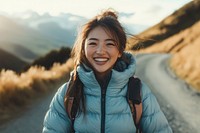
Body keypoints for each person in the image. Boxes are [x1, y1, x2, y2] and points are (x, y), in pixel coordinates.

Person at [42, 9, 172, 133]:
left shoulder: (140, 93)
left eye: (109, 44)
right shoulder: (67, 94)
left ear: (120, 51)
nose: (100, 51)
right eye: (93, 43)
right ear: (83, 48)